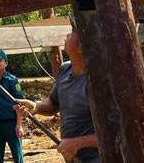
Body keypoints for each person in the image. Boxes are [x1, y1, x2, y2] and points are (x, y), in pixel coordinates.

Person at [15, 20, 100, 163]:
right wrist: (36, 107)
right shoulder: (65, 70)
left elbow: (114, 132)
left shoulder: (97, 81)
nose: (67, 34)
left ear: (82, 46)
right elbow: (53, 104)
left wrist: (76, 143)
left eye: (73, 32)